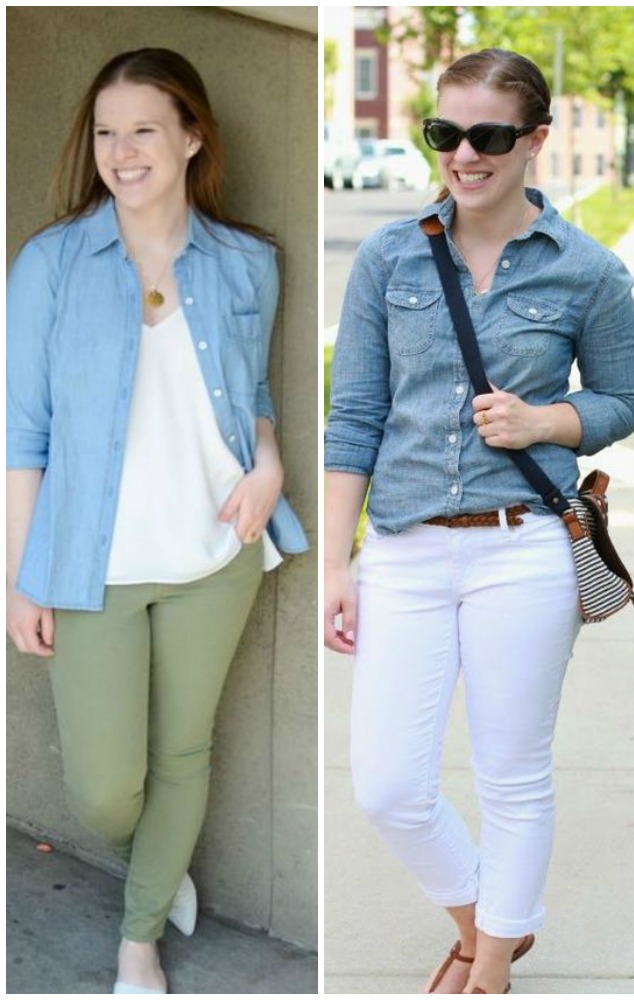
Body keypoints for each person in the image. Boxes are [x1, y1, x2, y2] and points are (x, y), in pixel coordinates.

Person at [323, 49, 634, 995]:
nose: (463, 154)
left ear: (534, 141)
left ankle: (490, 966)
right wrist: (338, 562)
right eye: (444, 133)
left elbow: (620, 400)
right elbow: (355, 414)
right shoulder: (388, 256)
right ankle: (486, 919)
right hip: (407, 549)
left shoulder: (590, 272)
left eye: (488, 136)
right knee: (387, 785)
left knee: (512, 772)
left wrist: (547, 422)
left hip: (524, 548)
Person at [6, 48, 307, 993]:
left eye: (144, 128)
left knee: (184, 750)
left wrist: (270, 464)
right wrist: (20, 574)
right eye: (105, 130)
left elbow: (250, 393)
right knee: (105, 791)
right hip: (95, 560)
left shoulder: (248, 260)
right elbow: (22, 430)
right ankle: (156, 860)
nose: (121, 150)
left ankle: (139, 938)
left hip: (217, 547)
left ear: (191, 136)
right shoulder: (52, 261)